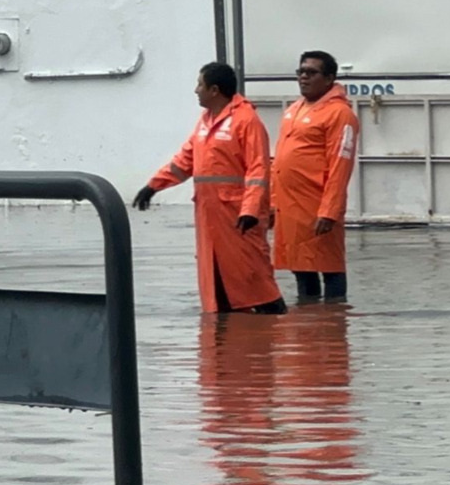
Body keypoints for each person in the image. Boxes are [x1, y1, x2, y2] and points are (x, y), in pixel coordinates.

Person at [133, 62, 286, 315]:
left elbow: (258, 170)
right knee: (217, 278)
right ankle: (226, 342)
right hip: (210, 216)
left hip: (238, 217)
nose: (195, 90)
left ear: (214, 90)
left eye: (199, 85)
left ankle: (273, 327)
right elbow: (185, 161)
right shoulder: (206, 122)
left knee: (253, 275)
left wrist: (249, 210)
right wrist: (153, 186)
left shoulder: (246, 121)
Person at [272, 51, 360, 302]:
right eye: (300, 72)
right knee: (300, 267)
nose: (303, 77)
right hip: (290, 206)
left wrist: (329, 210)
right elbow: (279, 159)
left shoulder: (340, 114)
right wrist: (271, 202)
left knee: (329, 266)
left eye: (311, 72)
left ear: (329, 78)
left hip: (317, 204)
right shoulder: (294, 110)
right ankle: (308, 324)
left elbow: (340, 165)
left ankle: (333, 322)